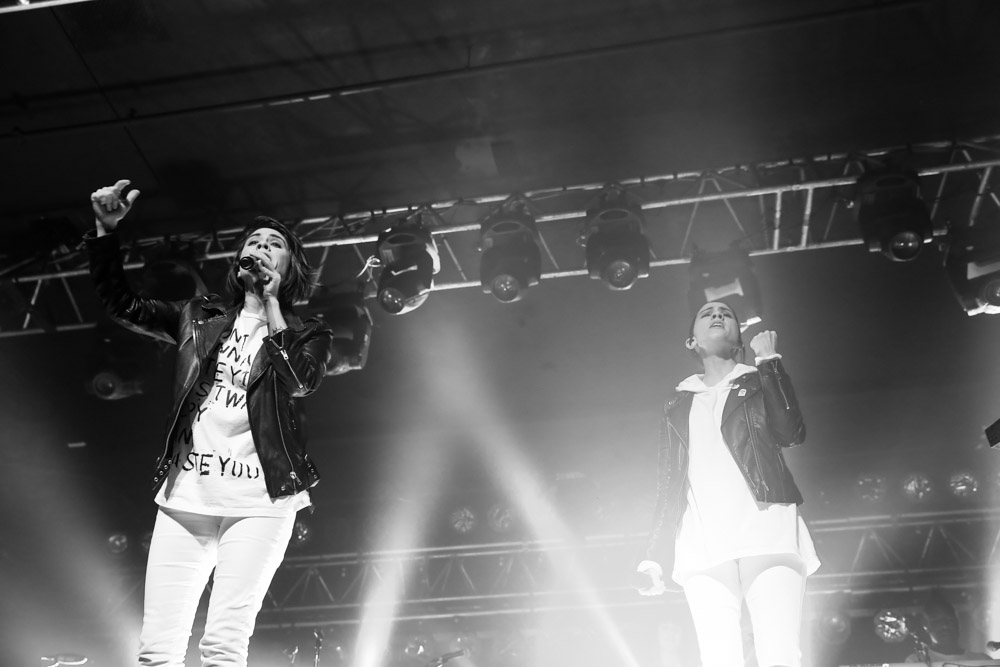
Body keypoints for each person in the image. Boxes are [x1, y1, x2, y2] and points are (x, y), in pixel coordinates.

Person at [87, 179, 354, 667]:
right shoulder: (198, 317)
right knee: (156, 651)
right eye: (253, 242)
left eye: (274, 245)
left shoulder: (309, 332)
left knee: (223, 648)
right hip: (186, 496)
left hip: (260, 502)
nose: (260, 248)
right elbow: (122, 305)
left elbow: (299, 381)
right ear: (239, 260)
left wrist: (271, 305)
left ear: (289, 268)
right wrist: (106, 233)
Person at [636, 301, 820, 667]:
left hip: (767, 531)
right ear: (692, 342)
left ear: (738, 337)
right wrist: (652, 556)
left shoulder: (757, 380)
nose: (717, 315)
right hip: (702, 543)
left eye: (726, 313)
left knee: (779, 653)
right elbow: (669, 482)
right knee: (719, 658)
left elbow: (791, 433)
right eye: (707, 314)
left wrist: (770, 361)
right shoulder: (677, 403)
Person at [904, 589, 991, 663]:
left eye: (949, 620)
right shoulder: (916, 661)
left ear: (958, 622)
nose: (944, 626)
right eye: (937, 621)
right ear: (926, 626)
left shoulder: (981, 660)